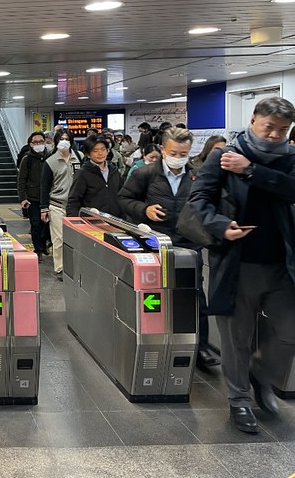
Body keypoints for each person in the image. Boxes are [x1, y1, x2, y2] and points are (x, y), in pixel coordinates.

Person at [187, 96, 295, 434]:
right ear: (253, 120)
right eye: (270, 128)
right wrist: (221, 226)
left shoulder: (289, 159)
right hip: (237, 263)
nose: (276, 135)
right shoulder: (222, 156)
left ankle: (260, 374)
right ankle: (239, 401)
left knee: (289, 333)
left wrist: (251, 171)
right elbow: (199, 200)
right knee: (236, 339)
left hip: (283, 263)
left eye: (283, 130)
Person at [118, 127, 218, 371]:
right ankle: (153, 339)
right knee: (156, 295)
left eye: (183, 153)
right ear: (163, 149)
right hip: (156, 244)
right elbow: (123, 199)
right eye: (174, 152)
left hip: (188, 244)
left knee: (194, 295)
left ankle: (201, 346)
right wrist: (145, 210)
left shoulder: (197, 176)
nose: (178, 157)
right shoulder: (145, 174)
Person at [40, 129, 83, 279]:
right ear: (56, 142)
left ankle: (77, 267)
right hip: (56, 205)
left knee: (76, 239)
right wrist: (43, 208)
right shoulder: (50, 162)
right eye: (61, 139)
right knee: (59, 239)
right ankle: (60, 268)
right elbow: (44, 187)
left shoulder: (79, 157)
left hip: (76, 206)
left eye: (67, 138)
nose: (64, 141)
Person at [66, 135, 122, 217]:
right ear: (88, 154)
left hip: (115, 220)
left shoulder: (114, 171)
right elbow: (74, 201)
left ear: (107, 151)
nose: (100, 153)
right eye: (95, 151)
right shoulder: (83, 173)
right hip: (92, 222)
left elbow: (121, 195)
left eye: (103, 150)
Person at [18, 131, 49, 257]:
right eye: (35, 142)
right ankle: (38, 249)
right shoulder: (27, 159)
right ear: (30, 144)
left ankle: (43, 244)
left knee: (46, 225)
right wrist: (23, 198)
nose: (38, 144)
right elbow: (21, 180)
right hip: (33, 198)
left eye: (41, 142)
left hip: (47, 199)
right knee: (35, 224)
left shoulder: (50, 158)